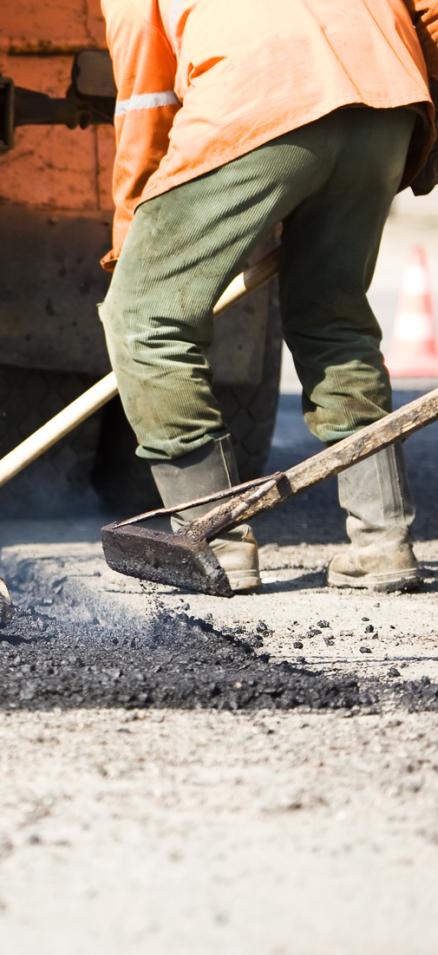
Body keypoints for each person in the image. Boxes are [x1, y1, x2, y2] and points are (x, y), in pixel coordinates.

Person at [100, 0, 438, 593]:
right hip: (387, 104)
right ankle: (383, 543)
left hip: (263, 94)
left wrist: (132, 233)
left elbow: (145, 100)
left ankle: (215, 538)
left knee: (145, 315)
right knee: (333, 317)